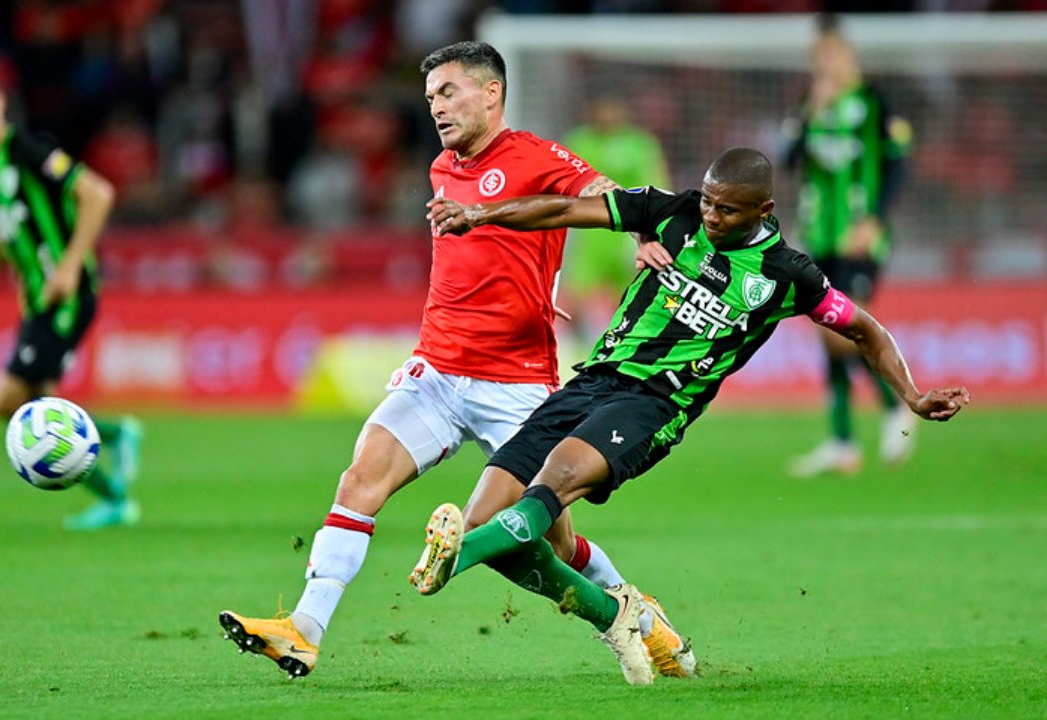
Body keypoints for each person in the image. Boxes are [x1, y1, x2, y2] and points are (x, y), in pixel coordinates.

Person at [218, 41, 696, 681]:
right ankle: (304, 629)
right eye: (430, 98)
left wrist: (641, 233)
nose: (437, 108)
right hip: (438, 371)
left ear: (491, 92)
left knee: (548, 542)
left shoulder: (535, 155)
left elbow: (607, 193)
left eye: (448, 93)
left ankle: (635, 618)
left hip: (518, 383)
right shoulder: (443, 167)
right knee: (361, 479)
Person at [413, 147, 969, 684]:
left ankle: (452, 562)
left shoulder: (787, 276)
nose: (710, 215)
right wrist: (477, 213)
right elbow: (563, 208)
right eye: (707, 201)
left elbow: (863, 329)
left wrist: (912, 396)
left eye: (726, 208)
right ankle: (618, 616)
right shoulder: (672, 212)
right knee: (489, 522)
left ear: (763, 211)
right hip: (592, 380)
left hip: (655, 404)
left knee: (552, 481)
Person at [0, 60, 142, 531]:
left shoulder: (26, 148)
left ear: (0, 104)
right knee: (42, 400)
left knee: (8, 400)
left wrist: (69, 265)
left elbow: (98, 193)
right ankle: (116, 457)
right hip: (39, 300)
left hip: (67, 295)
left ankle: (114, 471)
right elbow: (8, 238)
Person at [783, 15, 915, 478]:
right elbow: (788, 159)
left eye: (830, 54)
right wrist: (807, 115)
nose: (824, 63)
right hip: (819, 234)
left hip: (860, 236)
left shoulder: (875, 103)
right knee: (830, 331)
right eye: (817, 57)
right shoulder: (811, 103)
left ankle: (896, 402)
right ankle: (843, 442)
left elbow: (898, 166)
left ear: (849, 56)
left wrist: (874, 219)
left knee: (842, 328)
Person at [561, 94, 671, 342]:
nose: (607, 115)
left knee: (630, 292)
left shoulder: (640, 144)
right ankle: (573, 343)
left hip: (627, 232)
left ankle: (625, 339)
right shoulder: (580, 141)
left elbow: (655, 183)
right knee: (577, 292)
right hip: (590, 233)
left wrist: (651, 223)